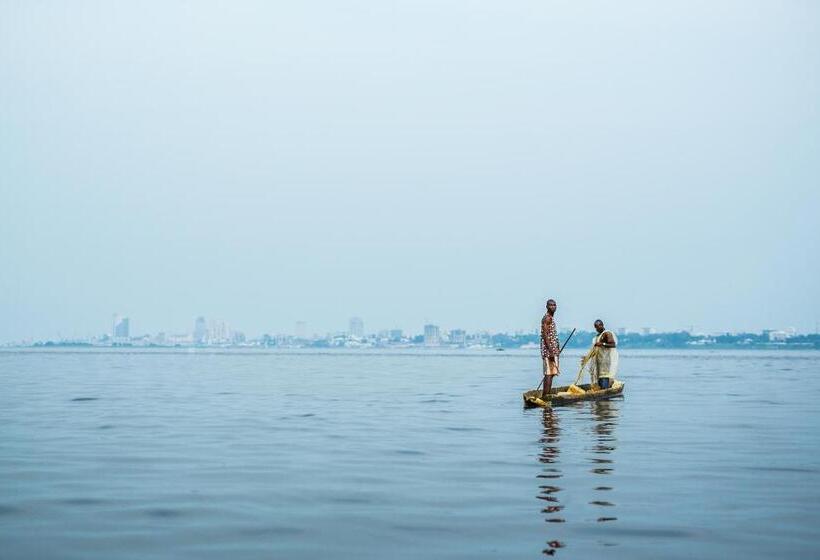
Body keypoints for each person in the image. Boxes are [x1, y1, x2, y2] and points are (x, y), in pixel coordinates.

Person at [587, 319, 619, 389]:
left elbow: (613, 344)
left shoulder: (607, 333)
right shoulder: (597, 336)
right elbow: (595, 350)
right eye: (595, 327)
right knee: (599, 378)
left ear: (602, 325)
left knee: (604, 376)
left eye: (598, 327)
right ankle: (602, 392)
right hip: (599, 361)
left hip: (605, 361)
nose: (597, 329)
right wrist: (587, 358)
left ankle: (605, 393)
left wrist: (602, 343)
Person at [540, 299, 560, 398]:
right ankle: (546, 396)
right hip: (549, 350)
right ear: (547, 307)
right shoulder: (547, 318)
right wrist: (551, 351)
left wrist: (557, 348)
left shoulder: (551, 318)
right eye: (551, 305)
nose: (553, 307)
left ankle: (546, 396)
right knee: (549, 373)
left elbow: (552, 335)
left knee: (551, 373)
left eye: (554, 305)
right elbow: (545, 335)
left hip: (552, 349)